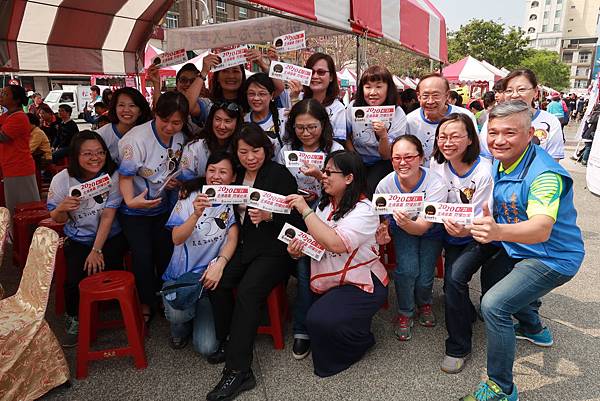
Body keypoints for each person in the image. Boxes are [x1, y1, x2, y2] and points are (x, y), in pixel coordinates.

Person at [460, 100, 584, 401]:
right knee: (495, 278)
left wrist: (496, 231)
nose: (499, 140)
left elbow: (541, 227)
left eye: (509, 133)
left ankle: (502, 388)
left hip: (551, 257)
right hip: (520, 247)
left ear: (530, 134)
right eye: (493, 132)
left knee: (495, 305)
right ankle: (535, 328)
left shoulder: (544, 175)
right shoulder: (503, 160)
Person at [206, 123, 298, 401]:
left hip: (274, 251)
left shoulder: (279, 174)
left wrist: (270, 216)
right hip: (245, 247)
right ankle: (230, 339)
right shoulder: (236, 176)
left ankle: (239, 371)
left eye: (255, 150)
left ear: (265, 149)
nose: (250, 157)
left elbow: (296, 216)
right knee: (217, 283)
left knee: (247, 292)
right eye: (243, 151)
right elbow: (213, 185)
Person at [285, 150, 388, 377]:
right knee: (319, 320)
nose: (324, 177)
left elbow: (335, 243)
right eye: (324, 171)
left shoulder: (365, 210)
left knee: (318, 319)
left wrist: (304, 210)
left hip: (363, 281)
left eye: (329, 172)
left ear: (349, 178)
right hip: (333, 277)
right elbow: (316, 242)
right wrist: (296, 252)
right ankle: (356, 333)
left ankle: (359, 342)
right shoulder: (325, 205)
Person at [277, 98, 344, 359]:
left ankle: (324, 321)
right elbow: (278, 183)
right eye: (300, 128)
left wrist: (320, 177)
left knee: (317, 266)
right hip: (293, 217)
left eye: (312, 127)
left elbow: (346, 188)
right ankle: (302, 328)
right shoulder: (285, 151)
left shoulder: (335, 150)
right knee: (304, 267)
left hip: (329, 217)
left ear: (324, 125)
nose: (305, 133)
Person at [47, 131, 127, 347]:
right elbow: (57, 217)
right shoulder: (61, 180)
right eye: (88, 153)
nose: (95, 158)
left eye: (100, 152)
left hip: (109, 237)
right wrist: (62, 208)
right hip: (79, 237)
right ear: (75, 155)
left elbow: (109, 216)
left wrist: (97, 249)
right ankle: (74, 318)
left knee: (112, 270)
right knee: (73, 280)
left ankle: (113, 308)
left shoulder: (112, 176)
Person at [428, 113, 493, 373]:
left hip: (478, 235)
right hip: (448, 231)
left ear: (470, 139)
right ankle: (467, 314)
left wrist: (465, 230)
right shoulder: (436, 163)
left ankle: (458, 346)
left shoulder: (485, 170)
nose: (447, 141)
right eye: (442, 136)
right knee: (450, 284)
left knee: (454, 280)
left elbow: (483, 216)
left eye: (455, 136)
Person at [118, 91, 188, 323]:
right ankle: (146, 302)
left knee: (165, 251)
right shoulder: (134, 140)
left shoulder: (181, 138)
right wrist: (130, 201)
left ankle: (162, 296)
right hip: (135, 209)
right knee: (143, 255)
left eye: (176, 122)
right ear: (155, 114)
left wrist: (176, 182)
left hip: (164, 205)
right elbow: (125, 177)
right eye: (164, 120)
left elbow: (172, 168)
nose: (170, 127)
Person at [161, 152, 239, 355]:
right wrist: (196, 214)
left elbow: (232, 238)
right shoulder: (189, 196)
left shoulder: (232, 201)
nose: (216, 176)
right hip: (181, 277)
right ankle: (180, 327)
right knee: (179, 316)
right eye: (212, 170)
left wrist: (220, 264)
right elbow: (176, 238)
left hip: (207, 281)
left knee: (206, 348)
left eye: (223, 172)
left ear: (233, 178)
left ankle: (197, 311)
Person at [375, 134, 447, 340]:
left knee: (425, 275)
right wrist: (384, 229)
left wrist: (406, 223)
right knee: (407, 270)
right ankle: (405, 311)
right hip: (402, 230)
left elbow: (425, 226)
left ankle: (424, 302)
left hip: (430, 232)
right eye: (397, 158)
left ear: (421, 158)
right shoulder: (385, 185)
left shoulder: (436, 183)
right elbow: (384, 216)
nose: (403, 163)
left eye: (409, 157)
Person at [346, 65, 407, 196]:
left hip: (383, 161)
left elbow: (386, 155)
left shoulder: (397, 113)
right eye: (368, 87)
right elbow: (345, 135)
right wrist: (354, 157)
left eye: (379, 87)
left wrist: (383, 136)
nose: (373, 92)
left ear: (388, 88)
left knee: (370, 189)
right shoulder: (353, 107)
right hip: (357, 159)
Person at [478, 69, 564, 161]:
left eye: (521, 89)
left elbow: (553, 161)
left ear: (535, 92)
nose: (514, 95)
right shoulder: (493, 119)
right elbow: (486, 158)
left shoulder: (550, 121)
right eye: (509, 90)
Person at [406, 73, 477, 163]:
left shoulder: (465, 116)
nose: (430, 101)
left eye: (436, 95)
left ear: (447, 95)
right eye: (425, 96)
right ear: (418, 97)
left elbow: (475, 150)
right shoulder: (409, 121)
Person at [288, 53, 347, 143]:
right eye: (311, 72)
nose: (315, 76)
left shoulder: (338, 108)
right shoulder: (294, 96)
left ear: (331, 77)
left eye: (321, 72)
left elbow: (338, 143)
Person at [0, 84, 40, 216]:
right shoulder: (8, 116)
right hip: (10, 166)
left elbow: (3, 137)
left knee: (25, 207)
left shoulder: (19, 117)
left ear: (16, 99)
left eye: (5, 94)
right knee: (13, 206)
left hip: (19, 167)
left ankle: (31, 234)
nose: (1, 96)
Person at [180, 100, 243, 181]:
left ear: (237, 123)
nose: (222, 126)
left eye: (227, 121)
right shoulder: (194, 147)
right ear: (211, 120)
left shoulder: (242, 147)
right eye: (218, 119)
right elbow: (184, 175)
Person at [96, 87, 152, 164]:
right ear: (114, 108)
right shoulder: (101, 136)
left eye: (132, 105)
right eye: (121, 105)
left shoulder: (146, 134)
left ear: (140, 111)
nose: (126, 110)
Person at [242, 73, 287, 158]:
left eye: (262, 94)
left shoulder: (284, 116)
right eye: (251, 94)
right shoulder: (242, 121)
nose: (256, 98)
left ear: (272, 95)